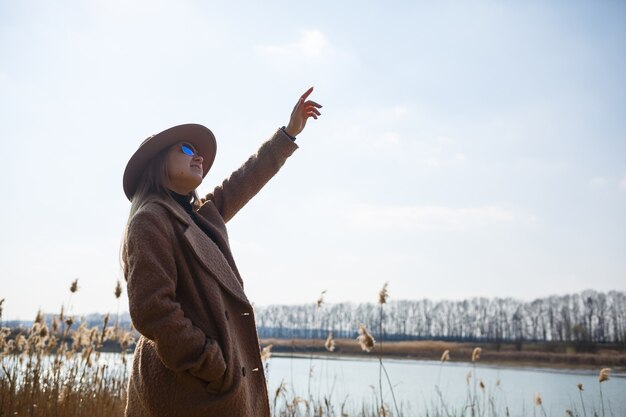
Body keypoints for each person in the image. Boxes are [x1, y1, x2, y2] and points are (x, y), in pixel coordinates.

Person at [120, 87, 322, 417]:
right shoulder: (150, 219)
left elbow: (243, 181)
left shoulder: (196, 217)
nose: (198, 155)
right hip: (184, 393)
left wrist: (288, 134)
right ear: (157, 164)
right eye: (186, 149)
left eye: (198, 150)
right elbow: (152, 309)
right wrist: (211, 363)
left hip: (207, 392)